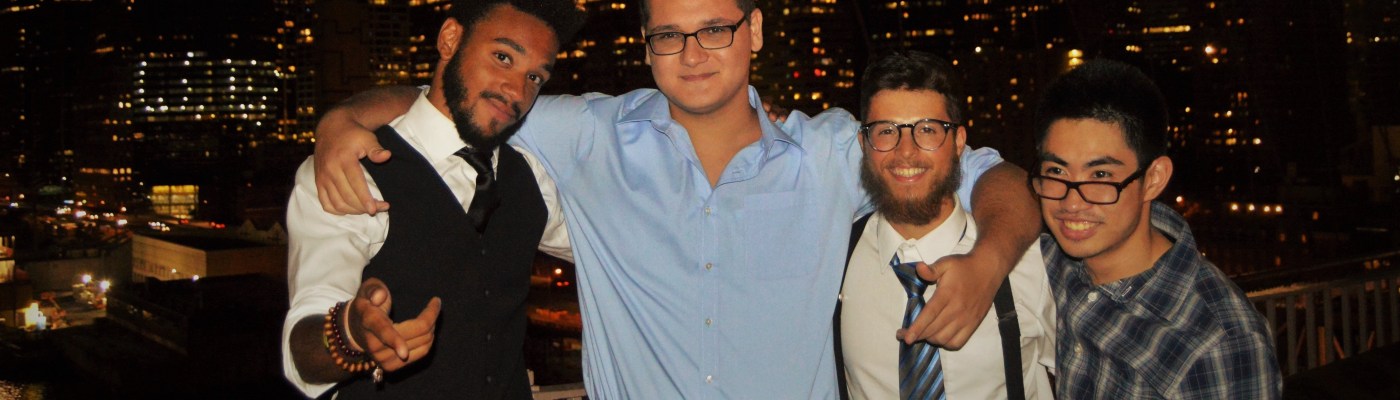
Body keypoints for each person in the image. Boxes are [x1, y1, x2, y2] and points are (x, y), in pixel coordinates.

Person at [311, 0, 1041, 397]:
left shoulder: (827, 154)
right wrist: (344, 119)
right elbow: (468, 98)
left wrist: (988, 262)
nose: (692, 55)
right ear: (645, 44)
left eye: (714, 30)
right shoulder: (588, 134)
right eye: (669, 36)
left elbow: (991, 173)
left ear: (754, 30)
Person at [280, 1, 584, 398]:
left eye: (534, 77)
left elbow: (605, 249)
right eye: (502, 57)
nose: (517, 91)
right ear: (450, 39)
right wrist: (350, 332)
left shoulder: (532, 176)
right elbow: (304, 346)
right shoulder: (354, 170)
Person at [1031, 59, 1282, 398]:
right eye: (1056, 172)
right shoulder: (1053, 263)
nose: (1072, 202)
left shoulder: (1217, 344)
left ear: (1153, 179)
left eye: (1101, 175)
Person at [839, 51, 1055, 400]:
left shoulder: (1027, 263)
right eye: (886, 131)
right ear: (864, 145)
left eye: (927, 130)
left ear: (958, 142)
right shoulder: (835, 262)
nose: (905, 151)